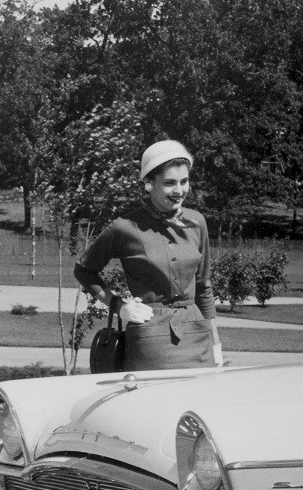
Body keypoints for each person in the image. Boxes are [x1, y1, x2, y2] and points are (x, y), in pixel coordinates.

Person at [75, 140, 223, 370]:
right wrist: (119, 306)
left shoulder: (197, 222)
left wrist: (216, 345)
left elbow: (203, 287)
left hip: (198, 339)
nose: (179, 190)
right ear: (148, 184)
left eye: (184, 181)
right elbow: (84, 270)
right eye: (169, 183)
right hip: (150, 341)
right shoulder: (124, 227)